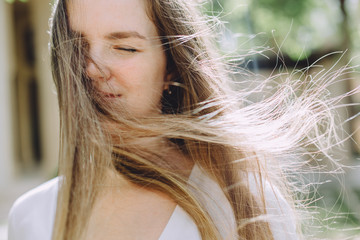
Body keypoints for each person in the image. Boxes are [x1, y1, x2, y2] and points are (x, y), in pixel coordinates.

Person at [8, 0, 342, 239]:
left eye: (125, 48)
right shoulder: (32, 217)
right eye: (76, 47)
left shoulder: (244, 204)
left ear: (170, 67)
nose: (91, 68)